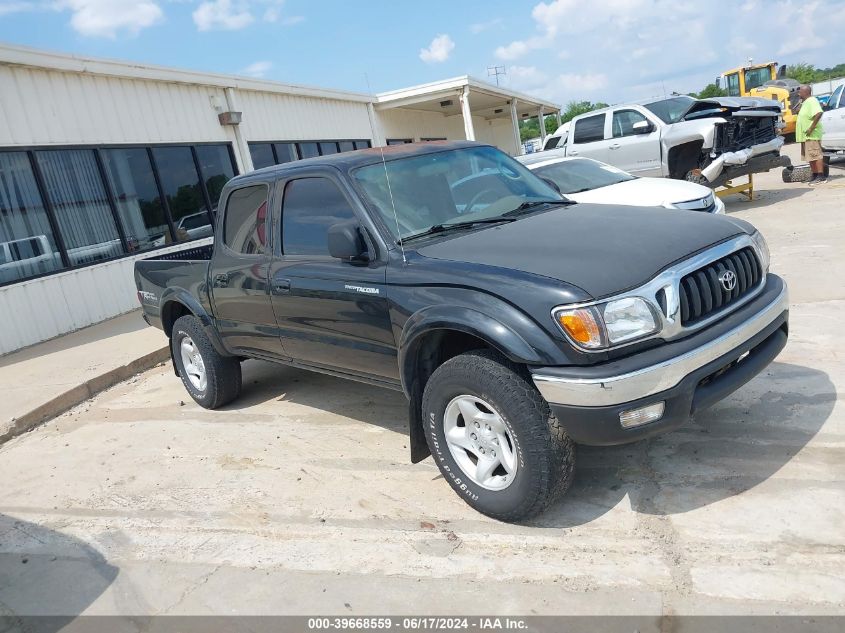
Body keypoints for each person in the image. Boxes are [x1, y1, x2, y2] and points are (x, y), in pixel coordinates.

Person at [795, 84, 826, 185]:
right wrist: (799, 105)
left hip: (811, 134)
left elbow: (819, 113)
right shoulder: (805, 102)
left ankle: (821, 176)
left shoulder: (812, 101)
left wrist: (811, 128)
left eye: (800, 91)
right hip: (805, 135)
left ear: (806, 92)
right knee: (810, 156)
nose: (798, 93)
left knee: (815, 155)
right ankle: (815, 174)